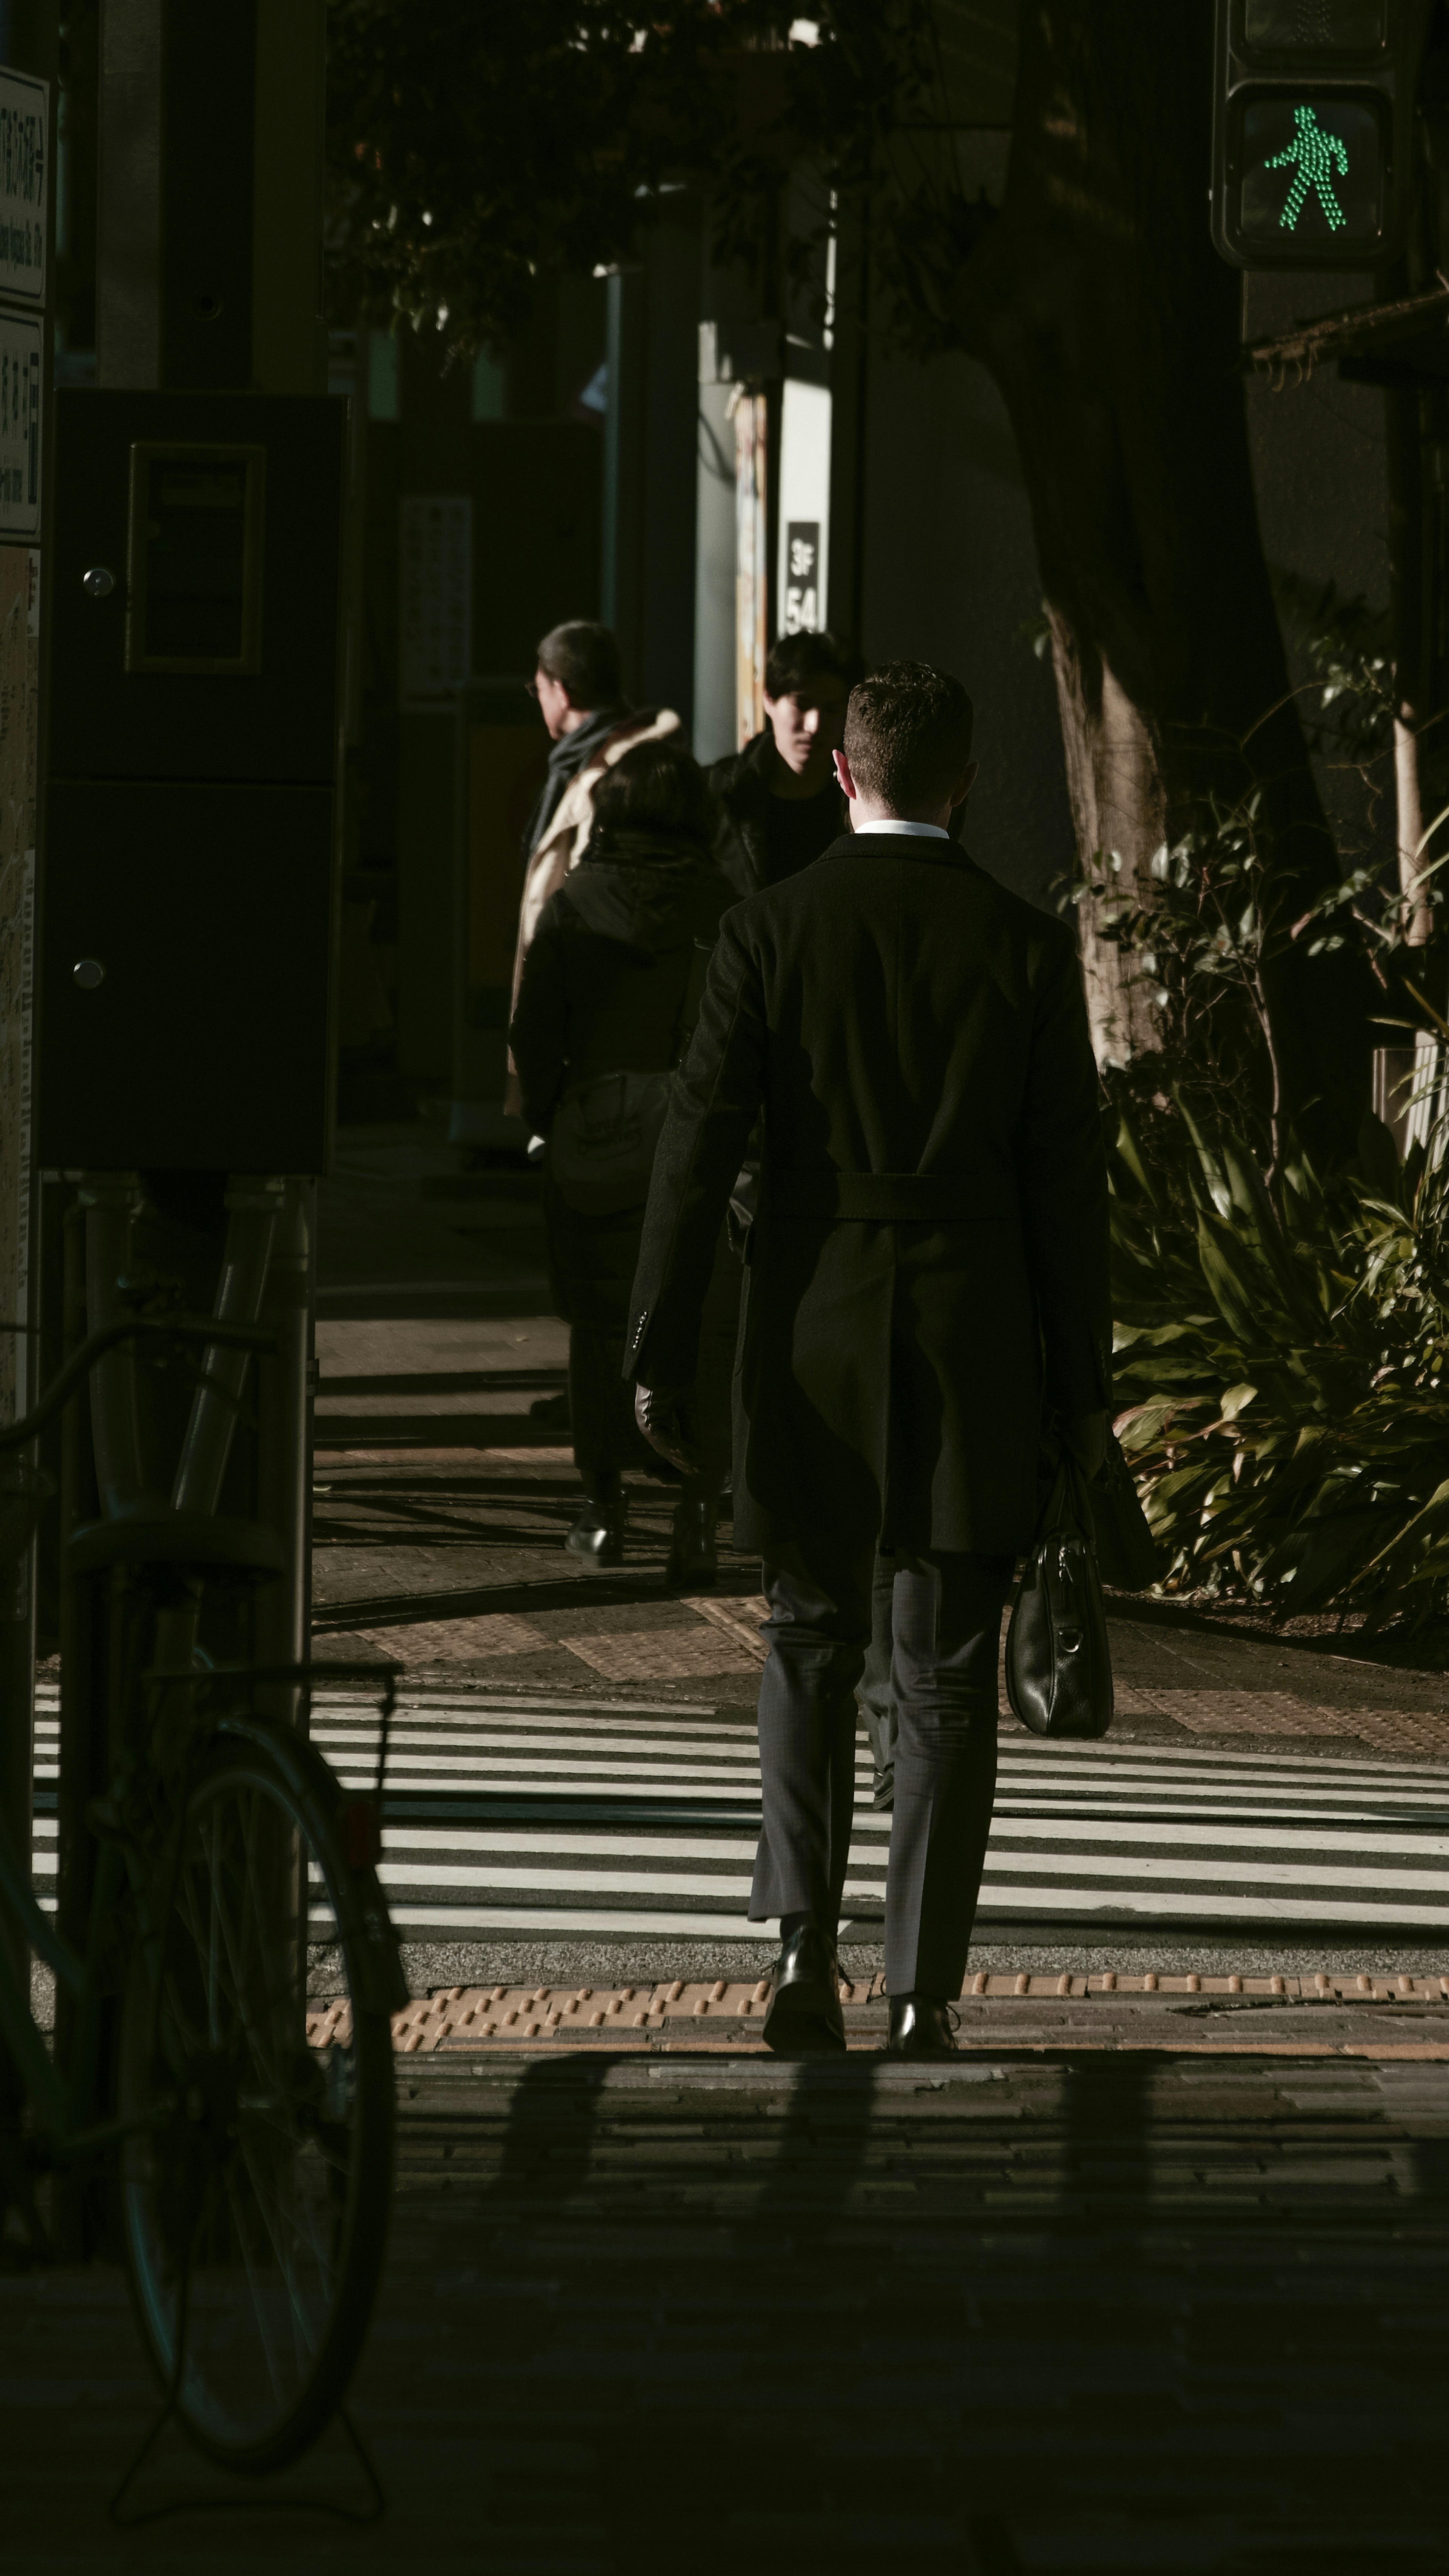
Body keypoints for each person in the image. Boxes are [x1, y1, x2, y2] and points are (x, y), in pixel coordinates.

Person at [624, 662, 1111, 2058]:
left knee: (806, 1635)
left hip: (807, 1323)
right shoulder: (1024, 949)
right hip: (971, 1329)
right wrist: (1085, 1395)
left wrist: (653, 1341)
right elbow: (1065, 1192)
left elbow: (693, 1145)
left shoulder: (767, 932)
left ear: (841, 771)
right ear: (965, 780)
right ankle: (922, 1988)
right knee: (946, 1668)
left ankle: (796, 1951)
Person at [509, 738, 737, 1583]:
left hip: (595, 1130)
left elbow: (536, 1034)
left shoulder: (574, 905)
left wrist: (545, 1114)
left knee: (602, 1322)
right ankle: (695, 1516)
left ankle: (603, 1510)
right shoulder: (723, 902)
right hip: (695, 1131)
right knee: (697, 1319)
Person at [506, 620, 681, 1115]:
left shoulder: (617, 771)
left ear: (560, 690)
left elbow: (600, 899)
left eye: (537, 689)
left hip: (598, 1019)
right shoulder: (590, 760)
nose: (538, 699)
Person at [708, 629, 862, 899]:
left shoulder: (866, 797)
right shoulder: (718, 792)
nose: (815, 726)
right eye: (802, 704)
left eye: (832, 709)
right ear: (769, 699)